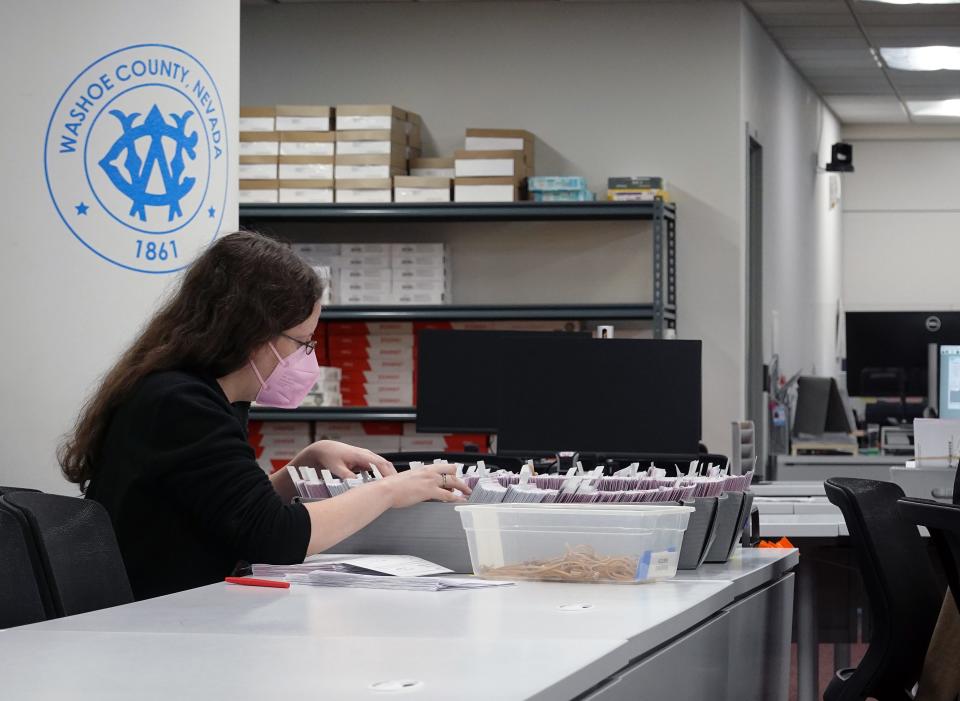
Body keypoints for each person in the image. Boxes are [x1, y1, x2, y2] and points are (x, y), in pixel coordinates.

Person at [59, 231, 470, 600]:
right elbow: (274, 537)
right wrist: (389, 492)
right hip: (154, 621)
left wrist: (301, 465)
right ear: (253, 331)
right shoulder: (181, 404)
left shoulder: (203, 396)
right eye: (302, 343)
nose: (307, 358)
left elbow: (232, 512)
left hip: (185, 608)